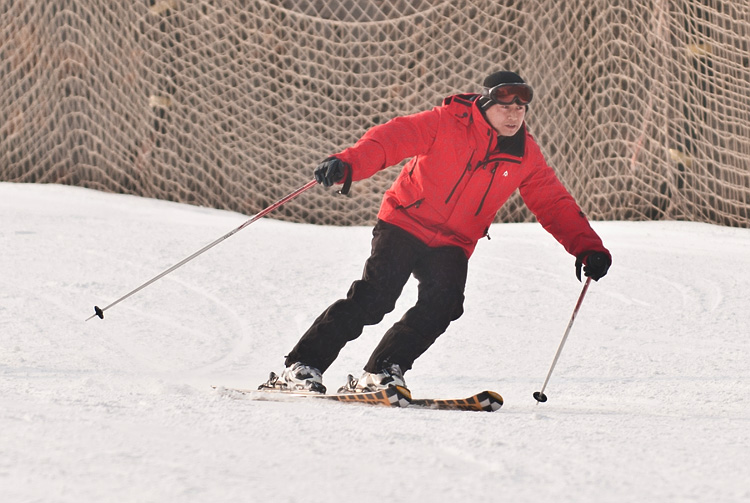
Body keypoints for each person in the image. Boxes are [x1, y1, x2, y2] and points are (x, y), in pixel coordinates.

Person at [270, 71, 611, 394]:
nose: (513, 115)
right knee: (376, 297)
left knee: (444, 304)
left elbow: (553, 203)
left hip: (453, 241)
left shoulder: (524, 154)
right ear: (486, 105)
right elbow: (391, 139)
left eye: (520, 108)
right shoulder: (446, 122)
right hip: (405, 222)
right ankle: (301, 365)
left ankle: (383, 370)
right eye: (505, 107)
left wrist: (587, 248)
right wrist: (349, 163)